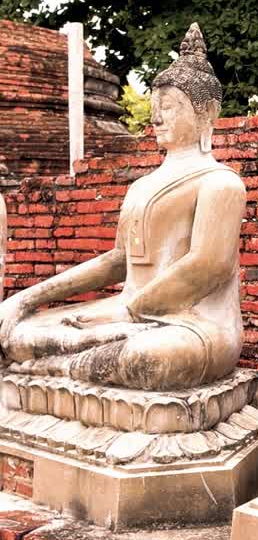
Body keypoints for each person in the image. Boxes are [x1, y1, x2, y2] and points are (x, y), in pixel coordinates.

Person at [0, 24, 245, 392]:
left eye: (169, 107)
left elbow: (207, 266)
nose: (156, 118)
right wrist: (26, 298)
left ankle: (54, 373)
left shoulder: (220, 183)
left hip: (194, 325)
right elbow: (117, 260)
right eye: (154, 107)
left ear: (206, 112)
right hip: (127, 312)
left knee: (146, 358)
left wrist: (128, 311)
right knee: (16, 333)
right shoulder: (141, 186)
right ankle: (64, 371)